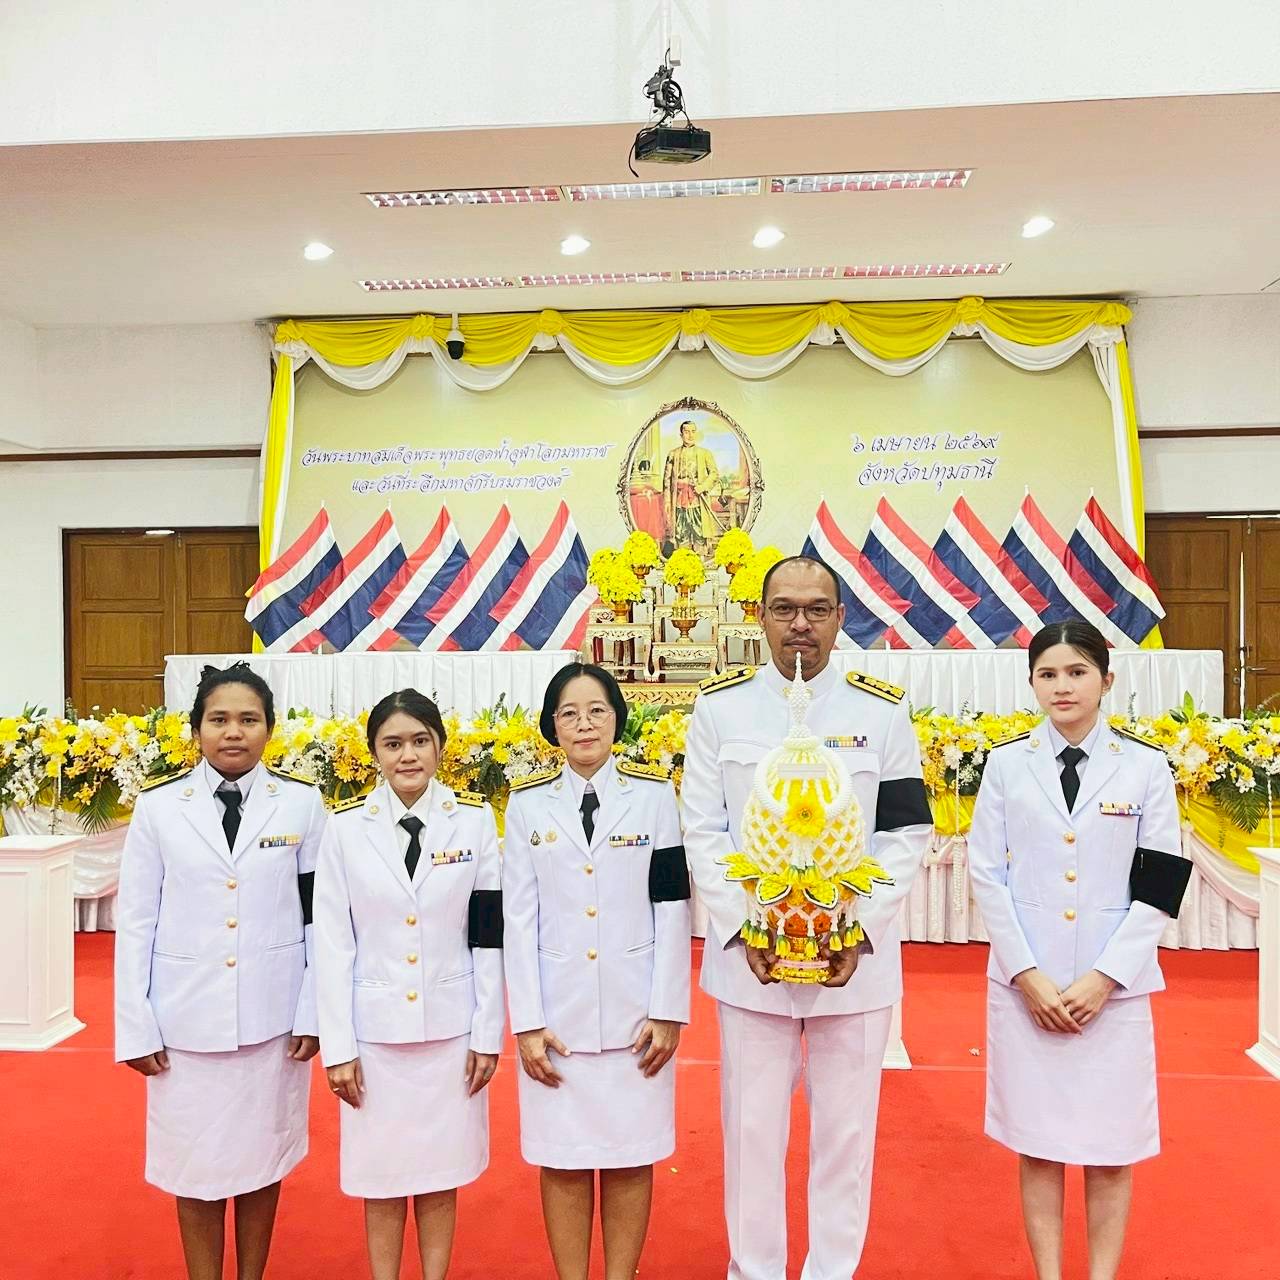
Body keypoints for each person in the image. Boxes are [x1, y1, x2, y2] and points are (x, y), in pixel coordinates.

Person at [682, 555, 933, 1280]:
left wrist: (857, 928)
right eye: (785, 609)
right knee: (751, 1136)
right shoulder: (721, 709)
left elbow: (906, 830)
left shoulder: (881, 710)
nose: (801, 624)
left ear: (840, 618)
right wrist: (745, 928)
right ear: (759, 617)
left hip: (853, 965)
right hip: (752, 962)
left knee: (845, 1141)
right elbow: (703, 829)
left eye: (817, 610)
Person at [968, 619, 1191, 1280]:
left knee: (1110, 1148)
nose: (1062, 686)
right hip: (1027, 990)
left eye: (1076, 672)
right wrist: (1027, 974)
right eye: (1048, 674)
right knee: (1037, 1145)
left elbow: (1160, 883)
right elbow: (986, 874)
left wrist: (1104, 978)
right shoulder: (1007, 764)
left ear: (1106, 680)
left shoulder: (1145, 767)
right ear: (1032, 682)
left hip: (1112, 995)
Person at [114, 662, 325, 1280]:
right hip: (185, 1022)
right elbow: (136, 921)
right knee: (194, 1167)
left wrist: (313, 1010)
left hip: (272, 1021)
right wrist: (136, 1024)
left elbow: (320, 917)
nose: (234, 732)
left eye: (248, 720)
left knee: (263, 1162)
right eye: (219, 719)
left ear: (270, 729)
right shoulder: (159, 808)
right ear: (197, 729)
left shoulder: (302, 804)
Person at [503, 662, 691, 1280]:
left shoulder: (655, 798)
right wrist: (527, 1023)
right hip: (557, 1020)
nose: (584, 724)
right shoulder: (527, 806)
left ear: (617, 719)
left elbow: (672, 905)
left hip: (638, 1019)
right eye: (569, 713)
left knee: (632, 1156)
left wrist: (668, 1010)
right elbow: (517, 920)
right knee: (561, 1160)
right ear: (552, 726)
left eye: (597, 711)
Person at [314, 688, 503, 1280]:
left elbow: (489, 934)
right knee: (382, 1178)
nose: (408, 755)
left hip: (451, 1032)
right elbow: (332, 943)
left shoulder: (474, 821)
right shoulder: (345, 828)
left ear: (441, 747)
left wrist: (487, 1033)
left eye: (420, 741)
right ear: (374, 752)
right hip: (375, 1037)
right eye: (393, 743)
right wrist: (337, 1047)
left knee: (441, 1175)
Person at [662, 419, 720, 554]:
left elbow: (714, 474)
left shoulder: (705, 453)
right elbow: (666, 480)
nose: (690, 435)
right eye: (686, 432)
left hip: (697, 499)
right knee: (681, 531)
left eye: (693, 431)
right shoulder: (673, 454)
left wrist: (703, 486)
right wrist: (667, 501)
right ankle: (683, 558)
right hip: (679, 500)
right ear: (681, 434)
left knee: (699, 531)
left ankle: (700, 559)